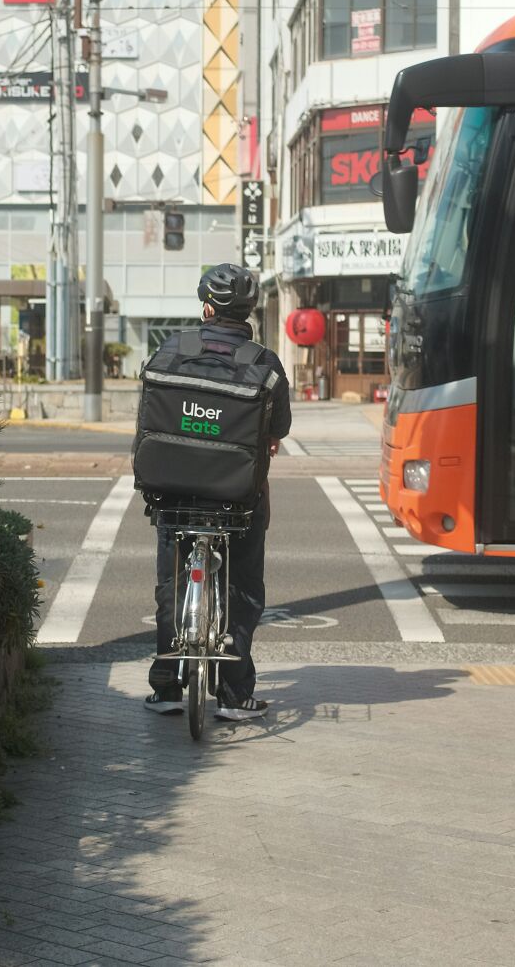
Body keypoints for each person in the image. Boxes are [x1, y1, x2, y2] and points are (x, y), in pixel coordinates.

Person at [144, 263, 292, 721]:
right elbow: (281, 428)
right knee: (244, 588)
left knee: (172, 582)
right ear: (248, 312)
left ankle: (167, 684)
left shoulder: (169, 351)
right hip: (238, 499)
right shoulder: (264, 363)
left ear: (206, 308)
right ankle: (234, 693)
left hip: (172, 492)